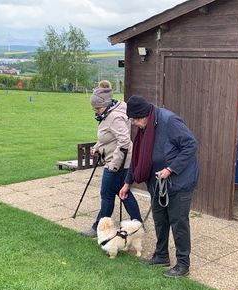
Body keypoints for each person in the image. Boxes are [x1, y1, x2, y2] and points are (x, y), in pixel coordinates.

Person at [119, 95, 199, 278]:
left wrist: (170, 169)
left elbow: (190, 145)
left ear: (145, 114)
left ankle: (183, 264)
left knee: (178, 222)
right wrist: (127, 182)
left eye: (136, 119)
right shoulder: (143, 127)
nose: (135, 123)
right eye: (132, 120)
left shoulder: (169, 121)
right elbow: (138, 158)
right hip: (156, 182)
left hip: (179, 181)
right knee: (160, 220)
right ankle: (161, 255)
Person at [82, 81, 142, 238]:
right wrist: (97, 146)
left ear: (105, 104)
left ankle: (99, 228)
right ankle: (138, 224)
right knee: (123, 193)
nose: (96, 111)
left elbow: (124, 141)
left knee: (107, 194)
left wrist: (114, 165)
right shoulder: (110, 112)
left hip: (118, 164)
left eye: (97, 108)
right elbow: (108, 137)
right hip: (120, 162)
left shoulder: (114, 117)